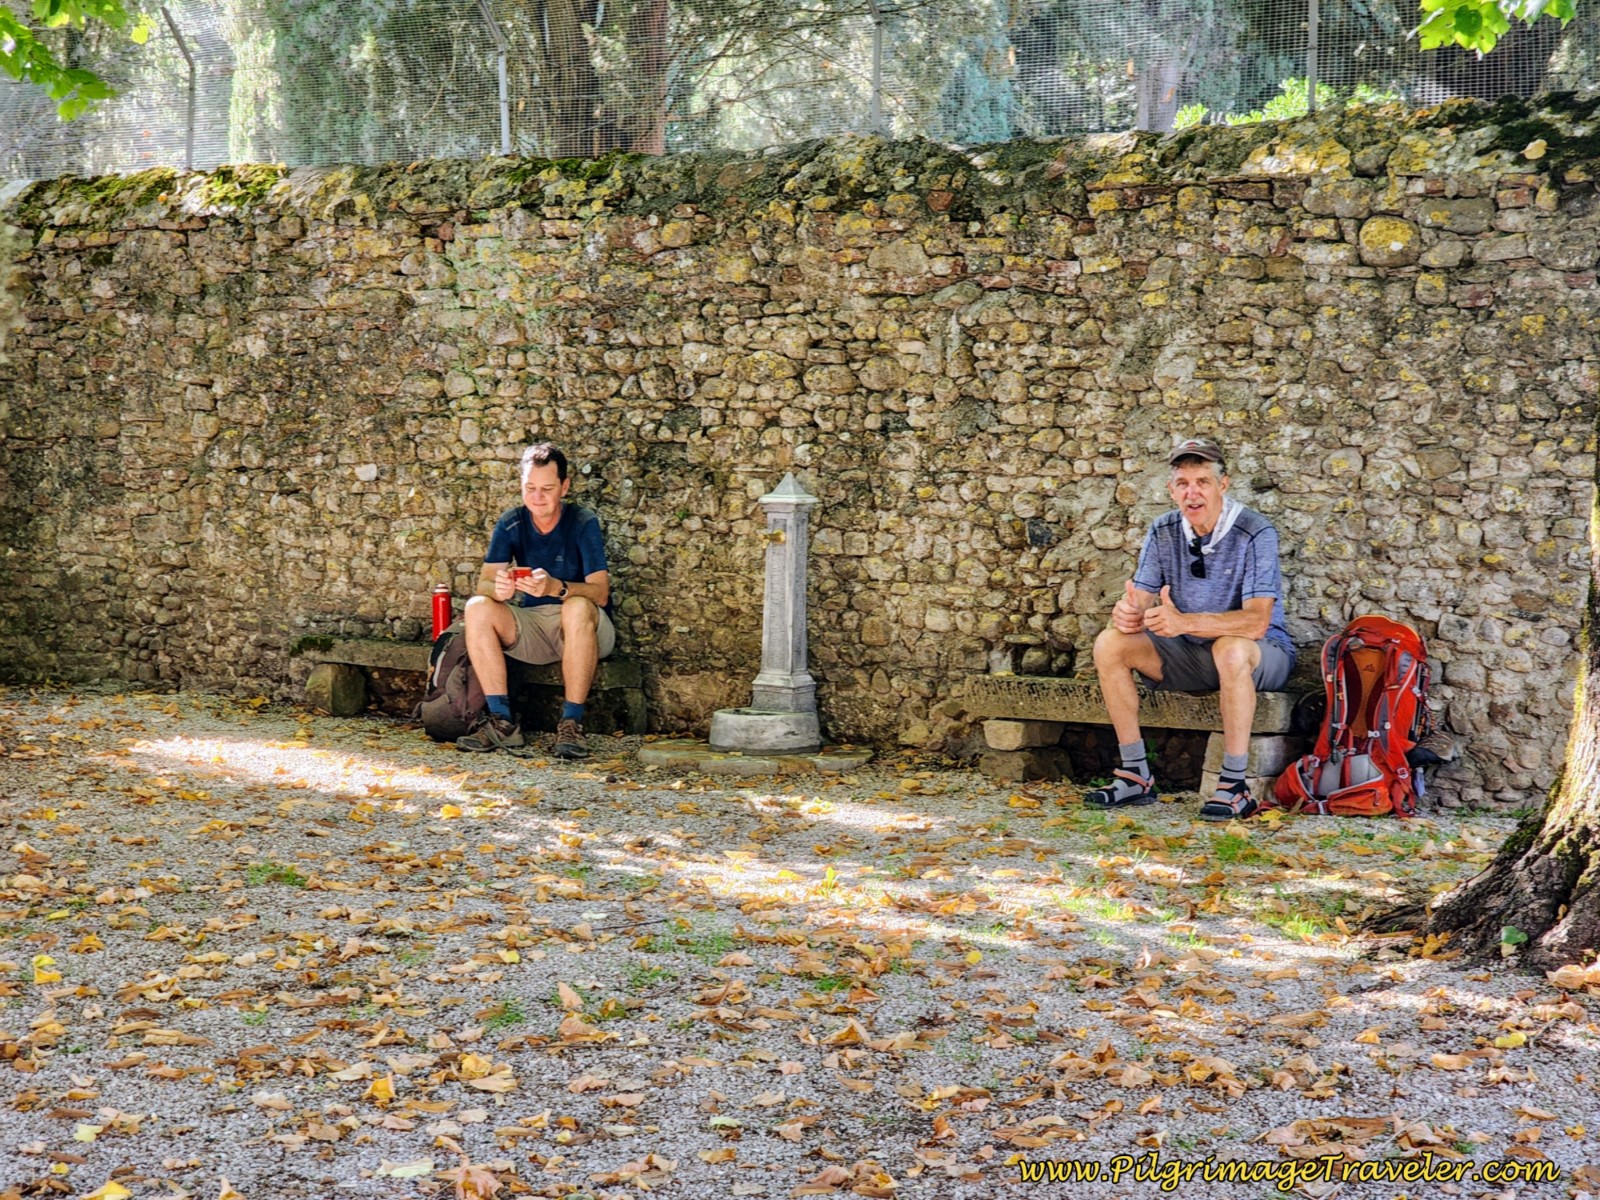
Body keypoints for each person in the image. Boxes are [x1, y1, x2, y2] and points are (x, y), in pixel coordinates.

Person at [1088, 437, 1295, 820]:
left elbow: (1257, 621)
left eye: (1202, 481)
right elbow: (1142, 598)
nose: (1192, 492)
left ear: (1223, 484)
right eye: (1183, 483)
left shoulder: (1255, 531)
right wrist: (1129, 614)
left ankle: (1234, 786)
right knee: (1110, 644)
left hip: (1260, 654)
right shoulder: (1163, 530)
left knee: (1229, 648)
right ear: (1171, 490)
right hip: (1190, 654)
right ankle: (1136, 775)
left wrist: (1184, 622)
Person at [455, 442, 615, 759]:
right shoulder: (512, 522)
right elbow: (484, 582)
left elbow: (600, 592)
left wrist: (557, 588)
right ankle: (502, 721)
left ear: (564, 487)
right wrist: (498, 589)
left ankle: (572, 723)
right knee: (477, 607)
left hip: (586, 628)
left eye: (546, 489)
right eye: (530, 488)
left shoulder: (583, 522)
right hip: (533, 628)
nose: (537, 497)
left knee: (577, 606)